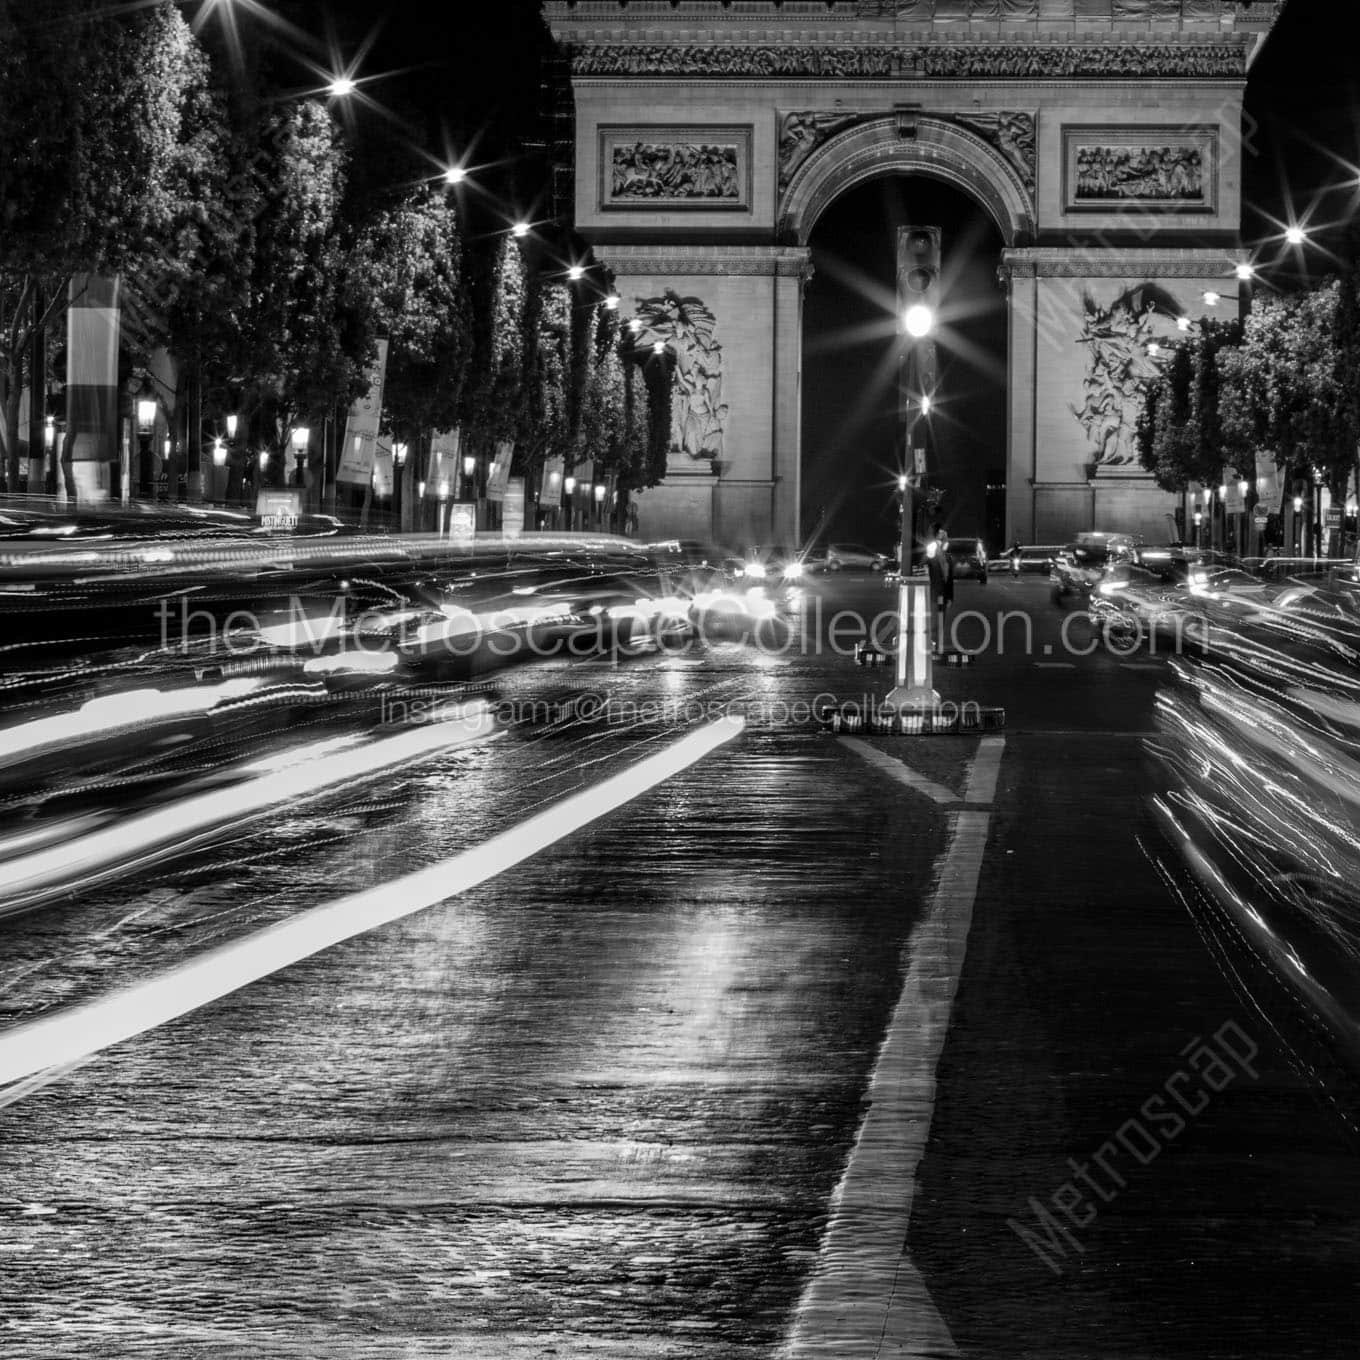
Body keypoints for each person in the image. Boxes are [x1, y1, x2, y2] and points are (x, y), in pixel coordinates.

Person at [925, 522, 954, 654]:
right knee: (932, 623)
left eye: (944, 539)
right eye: (940, 539)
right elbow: (923, 563)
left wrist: (950, 597)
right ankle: (928, 646)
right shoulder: (931, 556)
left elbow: (950, 580)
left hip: (943, 594)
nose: (942, 542)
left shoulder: (948, 558)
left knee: (941, 623)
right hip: (932, 594)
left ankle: (938, 647)